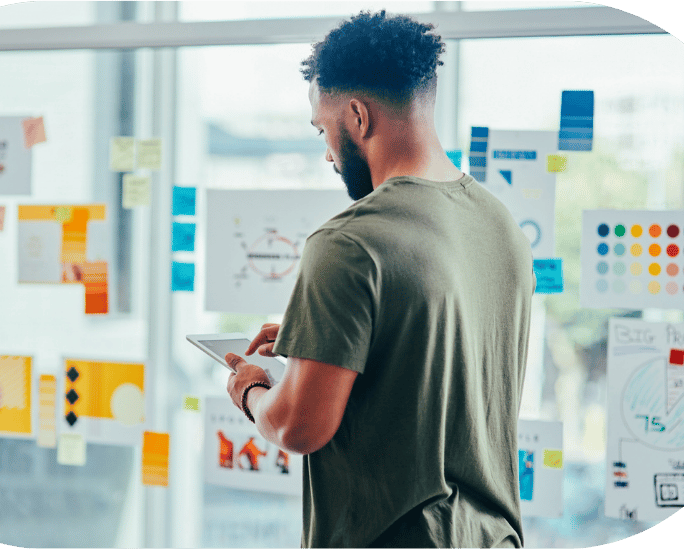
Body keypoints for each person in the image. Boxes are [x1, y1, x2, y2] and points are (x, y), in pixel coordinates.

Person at [225, 10, 534, 549]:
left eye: (323, 129)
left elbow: (299, 426)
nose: (326, 150)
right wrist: (315, 345)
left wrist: (251, 389)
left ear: (358, 116)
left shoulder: (348, 242)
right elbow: (437, 364)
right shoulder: (498, 223)